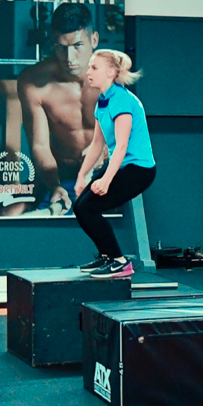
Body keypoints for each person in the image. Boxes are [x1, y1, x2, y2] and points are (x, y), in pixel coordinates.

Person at [6, 3, 102, 216]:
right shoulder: (33, 81)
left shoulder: (115, 80)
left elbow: (130, 139)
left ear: (93, 40)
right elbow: (39, 146)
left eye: (78, 45)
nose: (70, 59)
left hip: (106, 172)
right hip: (59, 173)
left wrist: (104, 153)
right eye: (61, 47)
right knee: (8, 214)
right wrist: (53, 186)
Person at [73, 50, 157, 279]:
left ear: (111, 72)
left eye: (94, 68)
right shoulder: (103, 102)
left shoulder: (122, 100)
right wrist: (83, 176)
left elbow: (121, 146)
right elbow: (97, 144)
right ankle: (107, 255)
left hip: (139, 170)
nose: (88, 72)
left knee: (89, 207)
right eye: (89, 67)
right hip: (122, 167)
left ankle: (120, 261)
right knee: (80, 207)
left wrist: (106, 180)